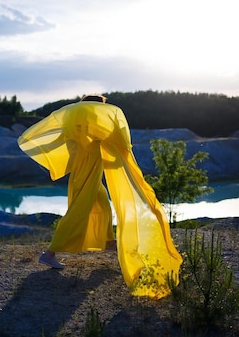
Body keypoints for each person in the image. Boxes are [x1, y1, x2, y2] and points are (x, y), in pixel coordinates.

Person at [17, 94, 182, 298]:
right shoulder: (90, 137)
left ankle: (109, 243)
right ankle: (49, 254)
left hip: (84, 176)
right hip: (86, 176)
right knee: (78, 212)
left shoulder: (78, 131)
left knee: (103, 205)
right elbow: (111, 154)